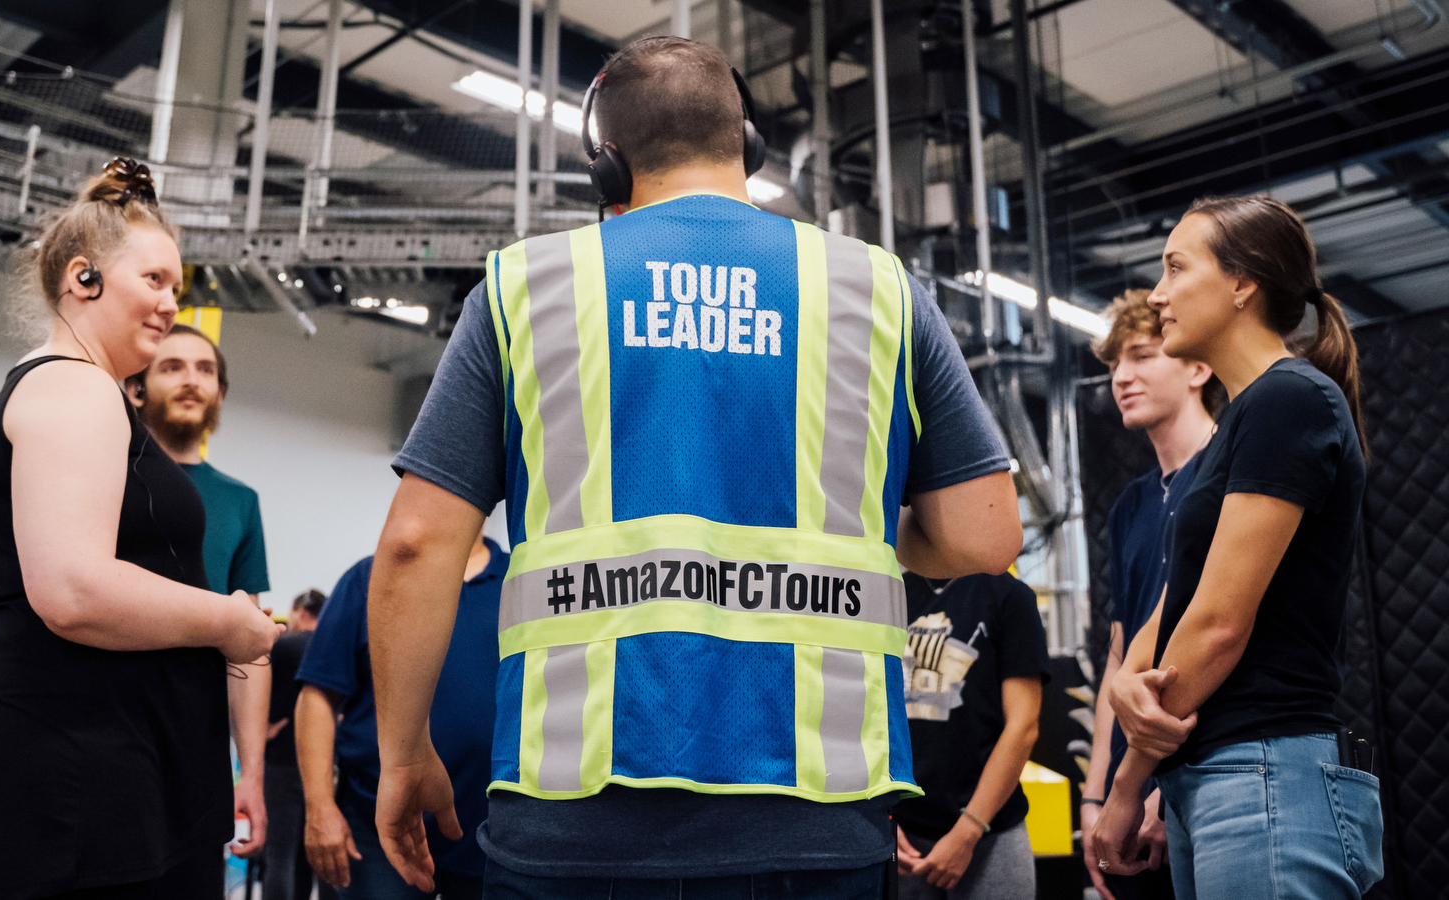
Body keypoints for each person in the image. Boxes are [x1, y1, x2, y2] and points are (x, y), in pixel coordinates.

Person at [367, 36, 1022, 900]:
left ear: (607, 163)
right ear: (746, 144)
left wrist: (403, 753)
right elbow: (985, 536)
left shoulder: (526, 289)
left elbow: (417, 547)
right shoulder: (876, 289)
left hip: (573, 816)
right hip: (816, 819)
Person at [0, 158, 280, 899]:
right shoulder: (74, 383)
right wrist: (229, 623)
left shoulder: (90, 393)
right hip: (49, 774)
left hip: (85, 765)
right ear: (83, 279)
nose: (170, 304)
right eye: (154, 281)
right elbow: (72, 589)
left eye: (177, 286)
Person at [1090, 196, 1381, 900]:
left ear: (1243, 283)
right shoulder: (1244, 420)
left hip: (1267, 772)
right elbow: (1175, 604)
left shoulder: (1290, 400)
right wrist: (1129, 679)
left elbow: (1217, 624)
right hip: (1222, 775)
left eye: (1175, 268)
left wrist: (1126, 782)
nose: (1158, 293)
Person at [1082, 289, 1221, 900]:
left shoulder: (1230, 474)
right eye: (1114, 363)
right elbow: (1119, 659)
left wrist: (1163, 786)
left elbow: (1221, 633)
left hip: (1206, 775)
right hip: (1127, 792)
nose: (1122, 376)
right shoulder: (1130, 505)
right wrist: (1096, 794)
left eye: (1140, 355)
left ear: (1196, 367)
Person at [126, 323, 274, 860]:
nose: (191, 380)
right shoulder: (109, 477)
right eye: (172, 367)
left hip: (196, 743)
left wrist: (250, 773)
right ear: (136, 388)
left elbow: (252, 649)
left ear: (221, 393)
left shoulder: (240, 501)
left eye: (205, 369)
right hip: (108, 728)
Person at [297, 537, 505, 900]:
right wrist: (319, 807)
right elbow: (317, 696)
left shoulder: (518, 578)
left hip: (494, 825)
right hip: (378, 823)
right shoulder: (370, 578)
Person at [892, 571, 1048, 899]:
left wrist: (969, 831)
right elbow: (868, 719)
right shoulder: (892, 591)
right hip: (902, 834)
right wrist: (884, 818)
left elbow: (1022, 727)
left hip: (989, 831)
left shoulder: (1009, 595)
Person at [262, 589, 336, 900]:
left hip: (282, 762)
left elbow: (253, 693)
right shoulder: (332, 649)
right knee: (325, 855)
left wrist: (262, 729)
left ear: (301, 612)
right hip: (326, 765)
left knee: (280, 856)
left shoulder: (282, 645)